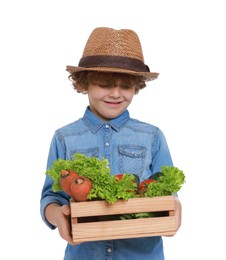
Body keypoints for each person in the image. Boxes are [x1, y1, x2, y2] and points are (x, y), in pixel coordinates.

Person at [40, 27, 182, 260]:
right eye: (105, 84)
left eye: (125, 85)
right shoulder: (64, 137)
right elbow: (51, 198)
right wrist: (59, 215)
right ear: (85, 82)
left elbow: (168, 191)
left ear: (136, 85)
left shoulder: (152, 136)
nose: (116, 93)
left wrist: (176, 207)